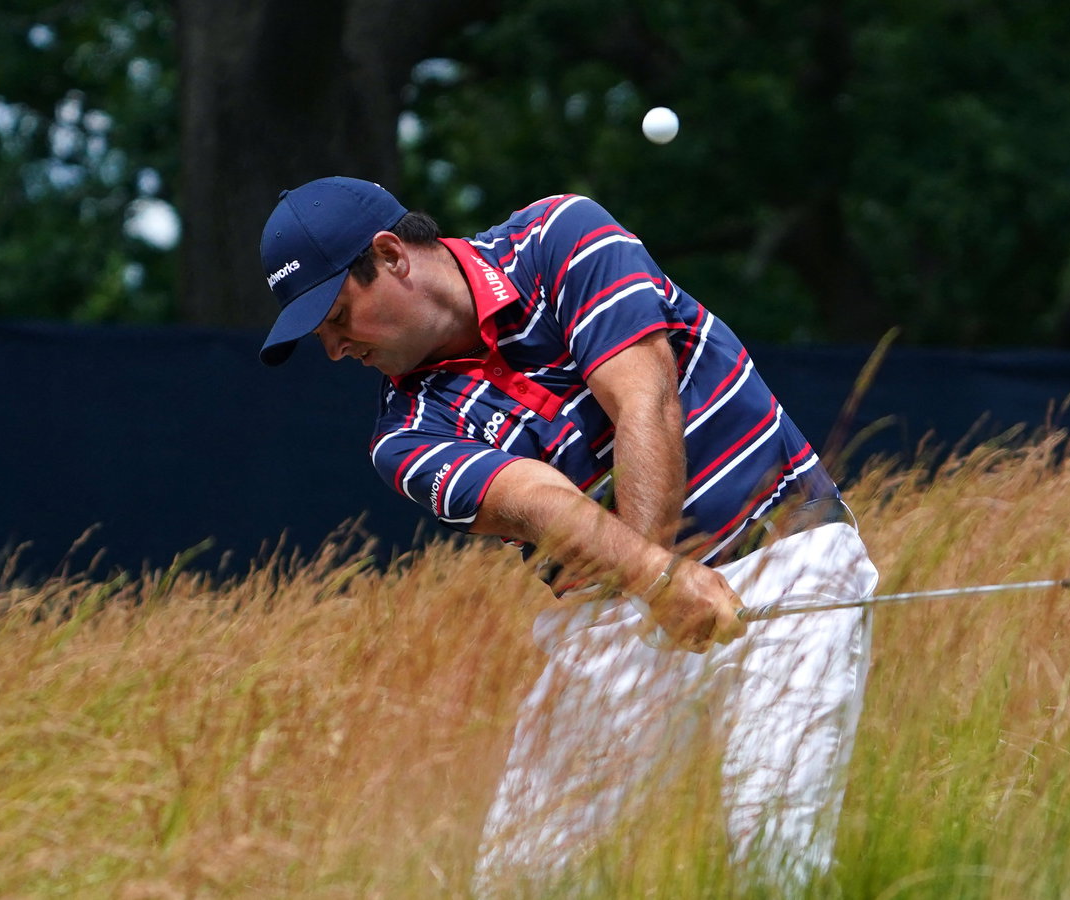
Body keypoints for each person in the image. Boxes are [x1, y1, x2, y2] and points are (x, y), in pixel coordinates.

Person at [256, 176, 879, 894]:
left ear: (392, 255)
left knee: (776, 856)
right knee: (523, 882)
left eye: (337, 317)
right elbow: (538, 504)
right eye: (322, 337)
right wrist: (657, 582)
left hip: (787, 556)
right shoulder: (403, 437)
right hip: (617, 615)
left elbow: (644, 398)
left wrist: (655, 582)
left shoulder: (560, 236)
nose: (335, 350)